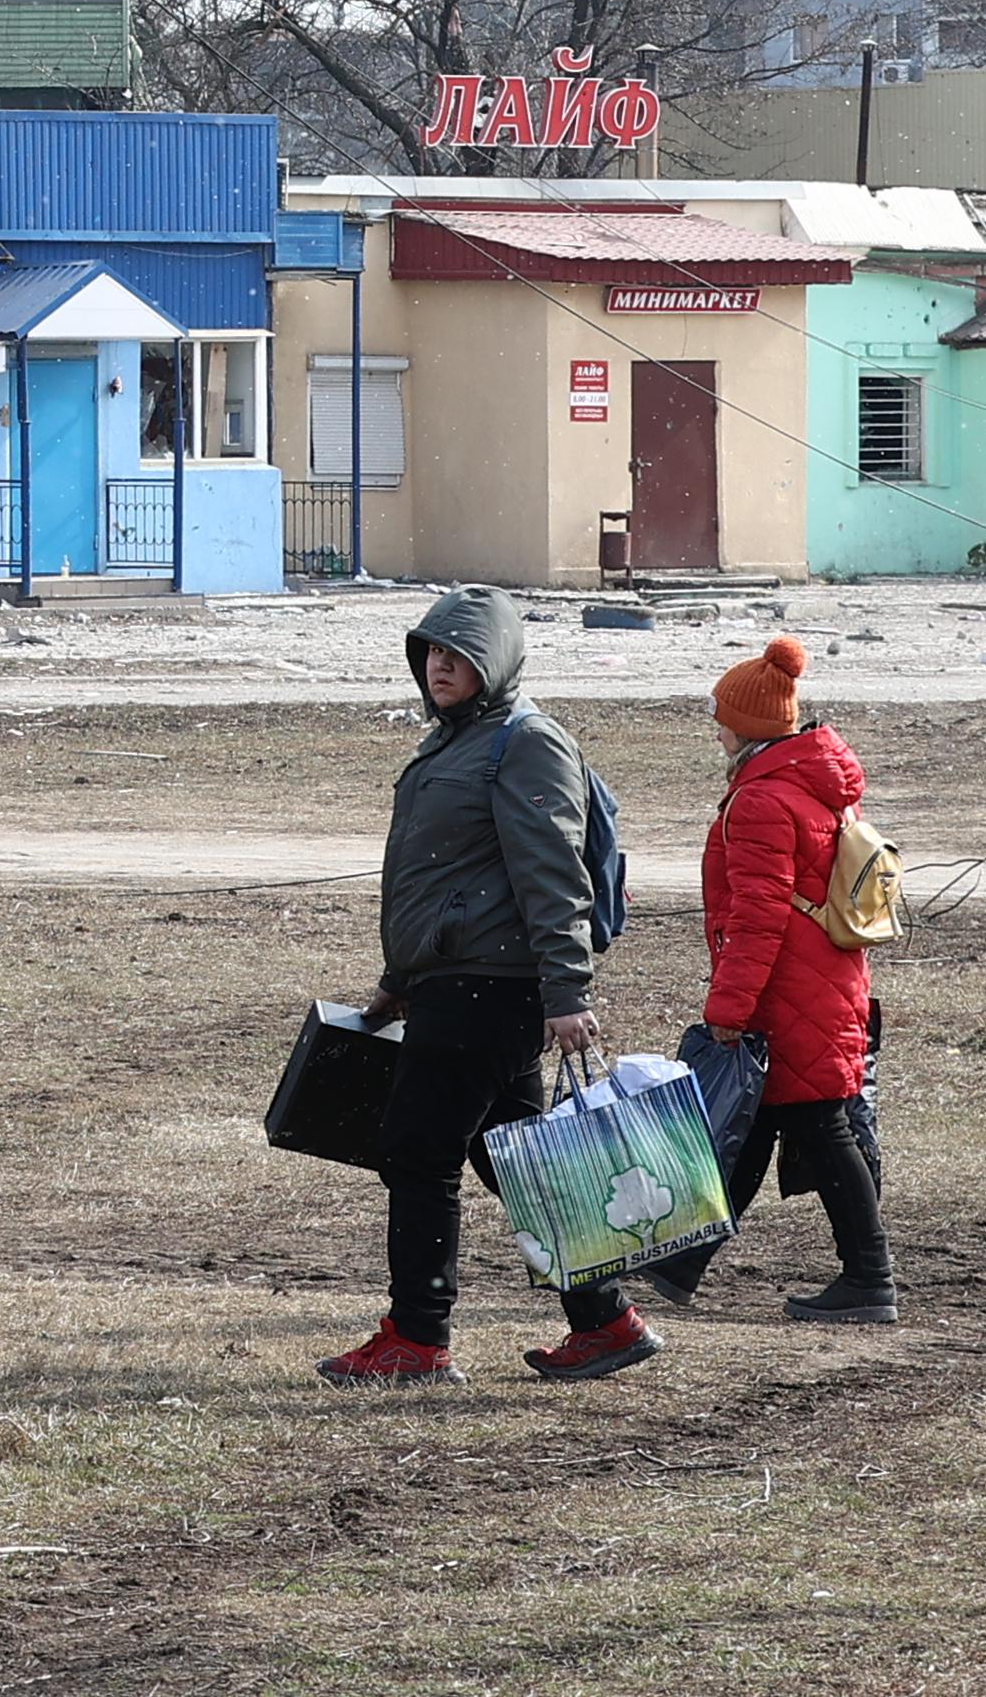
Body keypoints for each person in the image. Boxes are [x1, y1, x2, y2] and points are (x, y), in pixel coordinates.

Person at [318, 588, 660, 1387]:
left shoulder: (524, 741)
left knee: (416, 1151)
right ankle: (605, 1320)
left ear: (495, 661)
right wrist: (401, 981)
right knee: (518, 1161)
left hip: (491, 987)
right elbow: (441, 878)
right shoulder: (456, 742)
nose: (440, 665)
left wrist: (567, 990)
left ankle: (415, 1338)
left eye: (458, 653)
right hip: (456, 982)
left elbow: (553, 875)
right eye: (431, 651)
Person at [676, 633, 898, 1323]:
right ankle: (677, 1263)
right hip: (823, 980)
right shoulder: (814, 783)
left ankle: (870, 1279)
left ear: (746, 725)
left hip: (789, 989)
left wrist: (728, 1006)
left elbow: (759, 914)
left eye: (721, 715)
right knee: (758, 1123)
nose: (714, 727)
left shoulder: (763, 800)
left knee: (817, 1126)